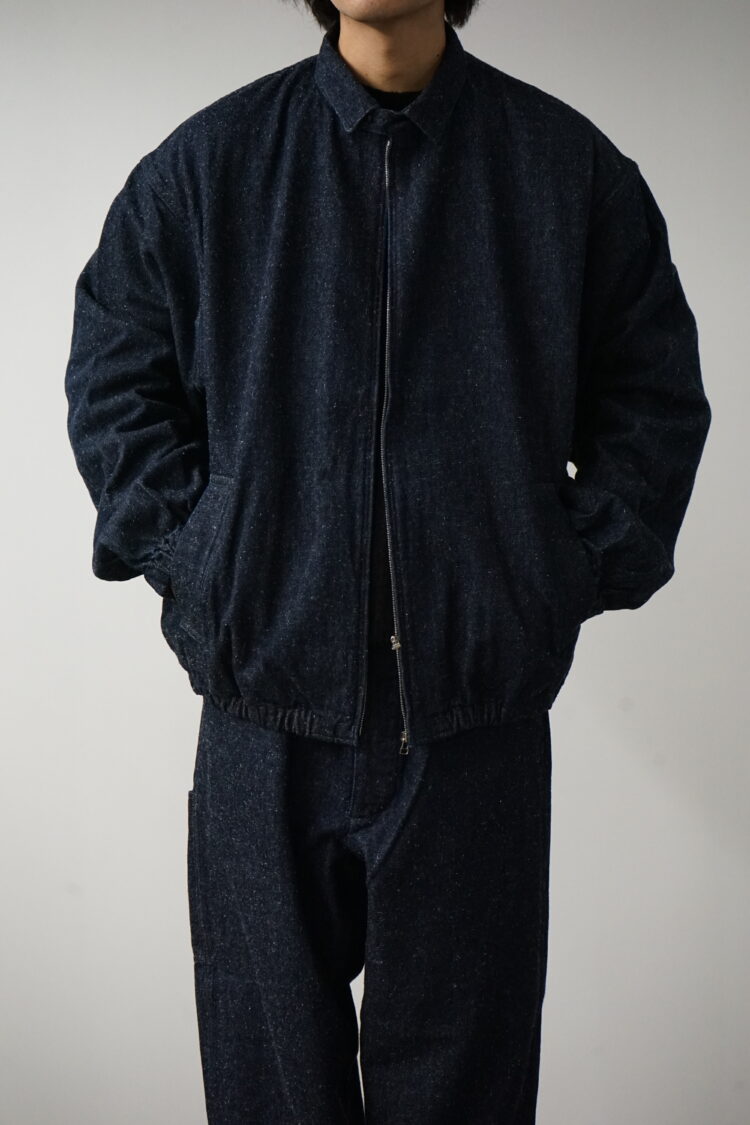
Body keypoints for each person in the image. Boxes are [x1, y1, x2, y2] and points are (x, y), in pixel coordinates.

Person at [63, 1, 712, 1121]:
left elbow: (652, 401)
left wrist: (551, 572)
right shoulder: (210, 166)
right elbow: (115, 381)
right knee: (270, 1097)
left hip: (473, 730)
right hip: (262, 718)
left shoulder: (566, 172)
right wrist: (210, 562)